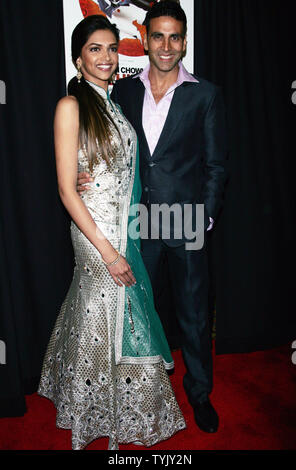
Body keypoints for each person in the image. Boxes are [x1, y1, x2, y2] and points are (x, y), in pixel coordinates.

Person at [78, 1, 227, 434]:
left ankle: (199, 393)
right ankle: (142, 390)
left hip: (186, 222)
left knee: (194, 315)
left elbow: (217, 167)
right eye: (157, 36)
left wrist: (206, 218)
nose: (166, 46)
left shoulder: (205, 94)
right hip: (137, 221)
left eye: (174, 37)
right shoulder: (123, 91)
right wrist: (81, 169)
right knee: (140, 311)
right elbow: (100, 136)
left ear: (184, 41)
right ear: (143, 39)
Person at [38, 14, 186, 451]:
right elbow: (67, 189)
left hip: (125, 229)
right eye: (94, 49)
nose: (105, 57)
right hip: (95, 234)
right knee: (112, 315)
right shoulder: (71, 106)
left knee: (104, 317)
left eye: (110, 48)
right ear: (77, 58)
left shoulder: (114, 106)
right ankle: (101, 411)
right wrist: (107, 251)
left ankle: (98, 403)